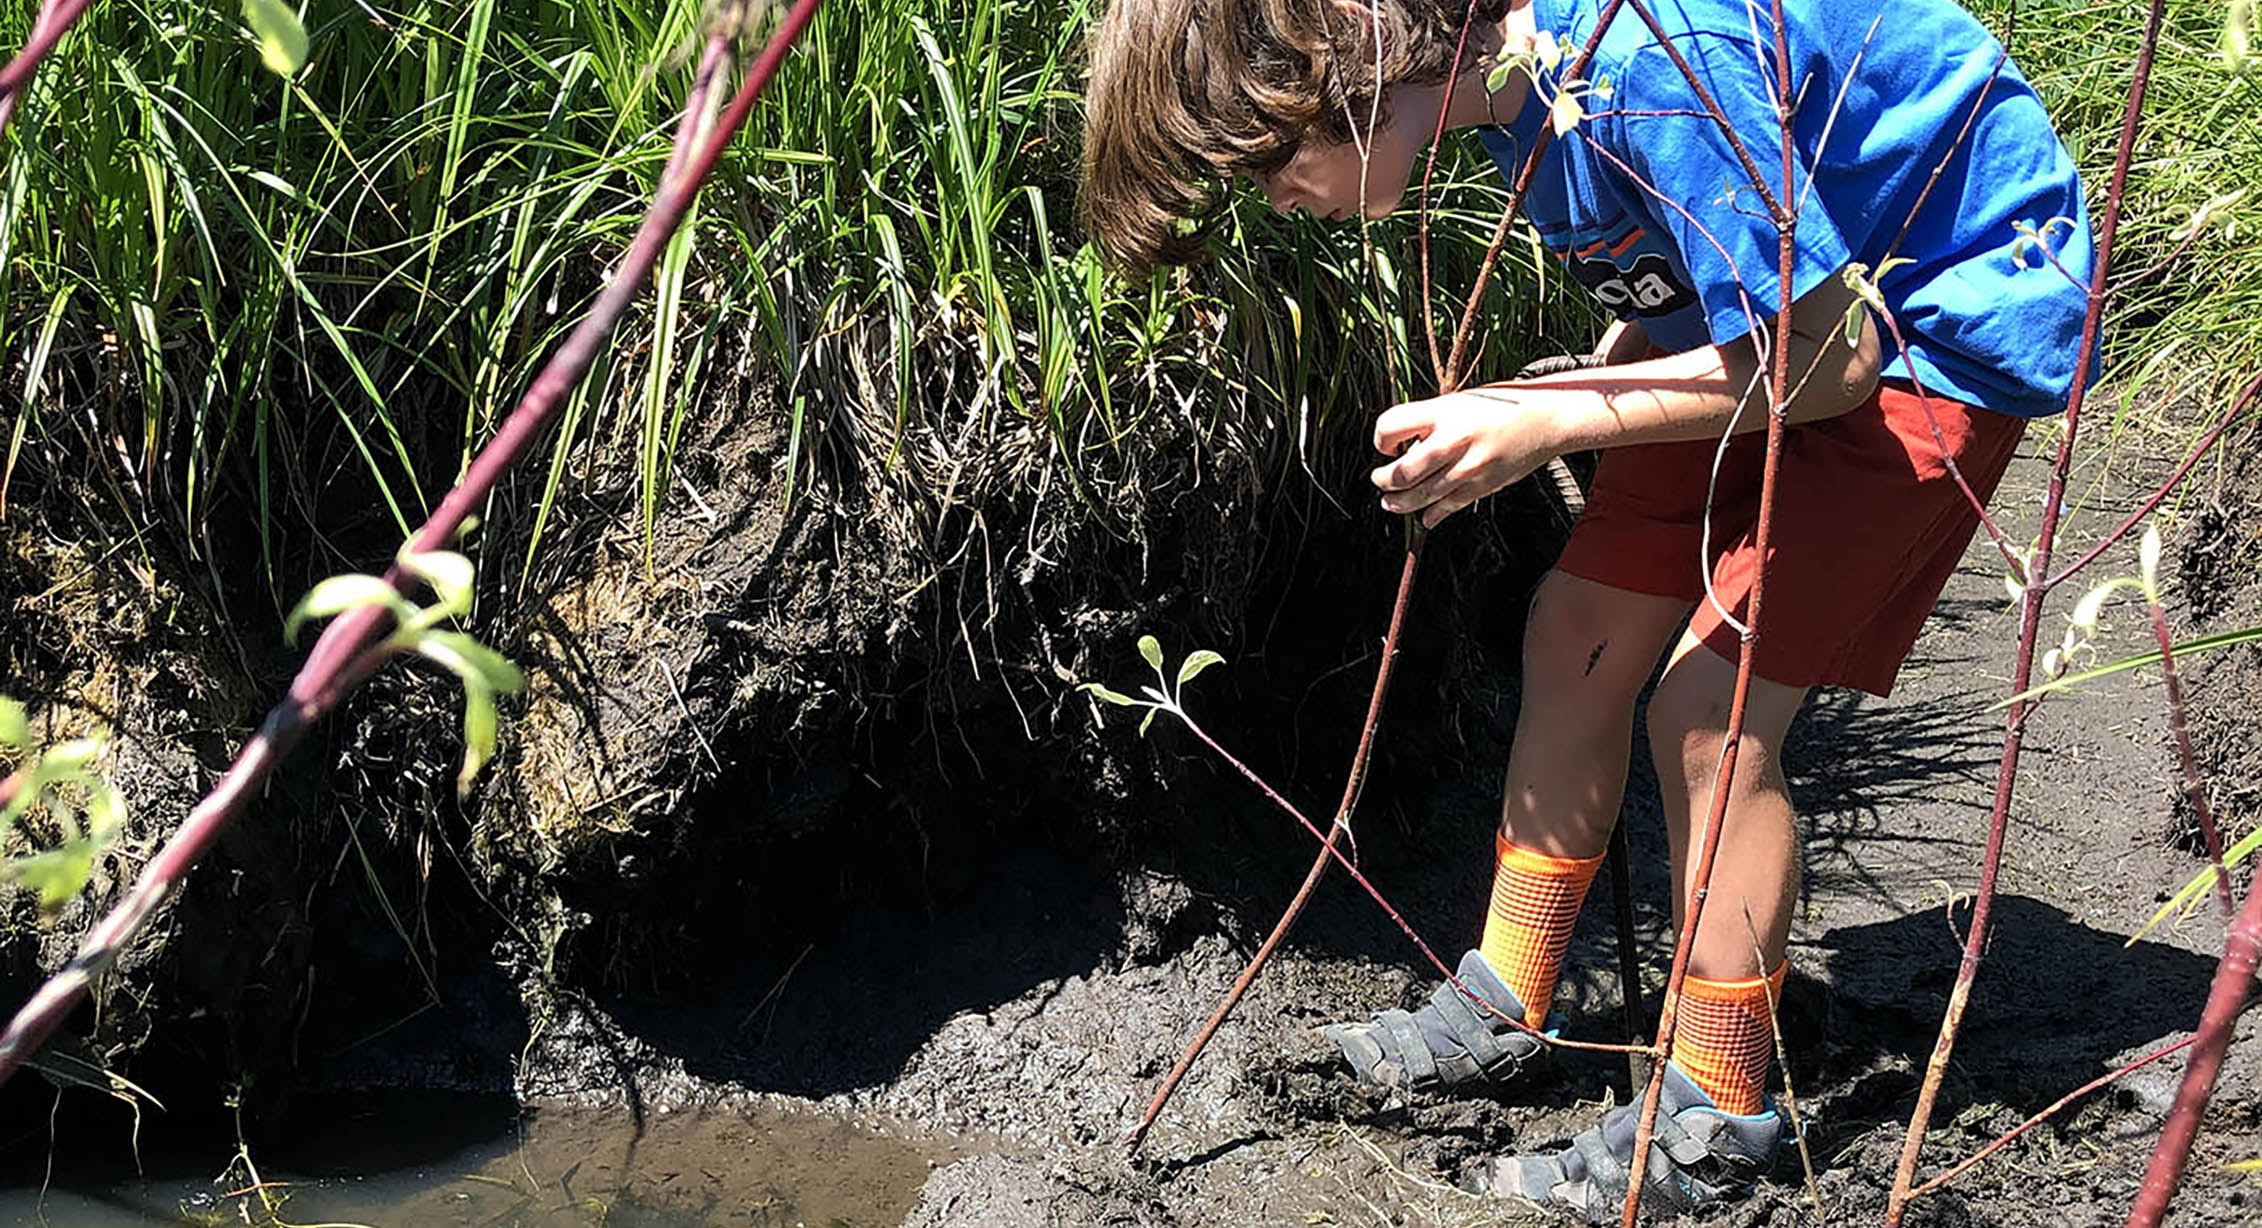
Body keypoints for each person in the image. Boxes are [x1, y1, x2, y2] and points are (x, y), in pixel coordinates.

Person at [1079, 0, 2092, 1217]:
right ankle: (1507, 994)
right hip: (1764, 329)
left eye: (1268, 164)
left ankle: (1720, 1113)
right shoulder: (1521, 92)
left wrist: (1553, 417)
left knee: (1708, 712)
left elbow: (1833, 361)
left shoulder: (1639, 72)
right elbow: (1696, 252)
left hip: (1925, 327)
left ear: (1338, 63)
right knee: (1577, 631)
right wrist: (1596, 369)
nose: (1279, 202)